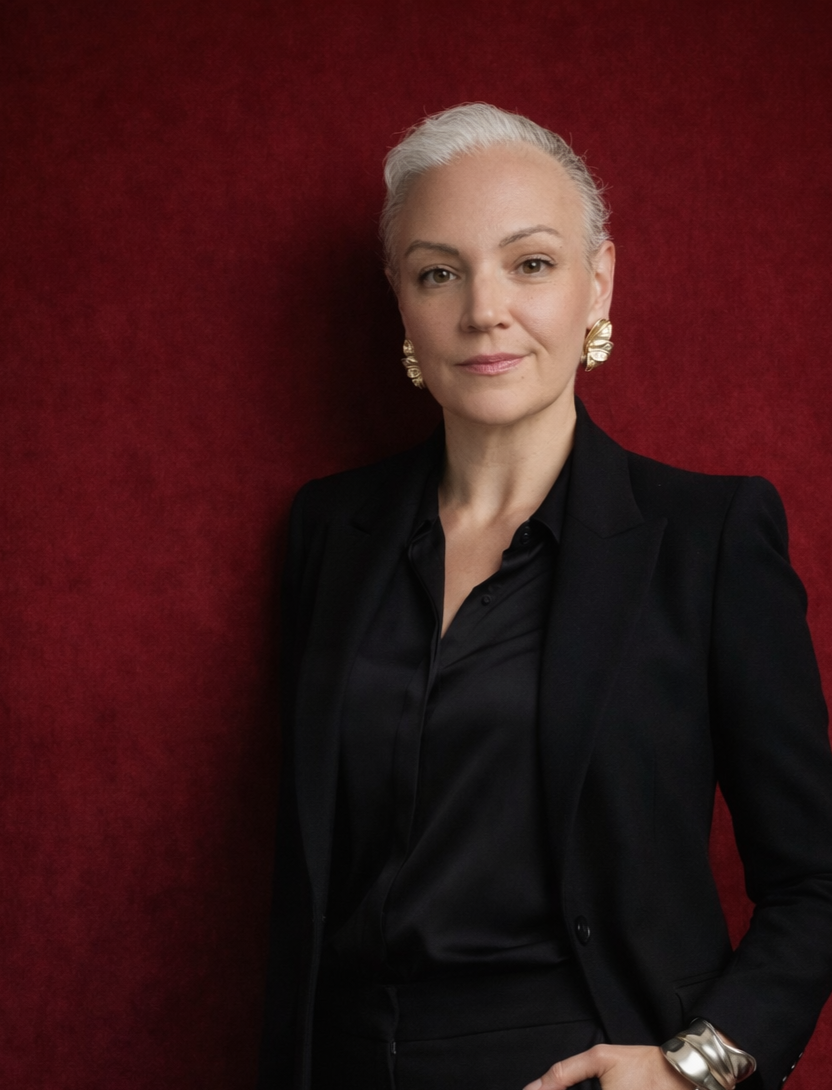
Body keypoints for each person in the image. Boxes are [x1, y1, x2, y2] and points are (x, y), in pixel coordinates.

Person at [257, 104, 832, 1090]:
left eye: (529, 263)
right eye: (439, 271)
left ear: (596, 284)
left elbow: (816, 881)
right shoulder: (329, 531)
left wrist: (695, 1068)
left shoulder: (708, 538)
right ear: (399, 299)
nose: (484, 309)